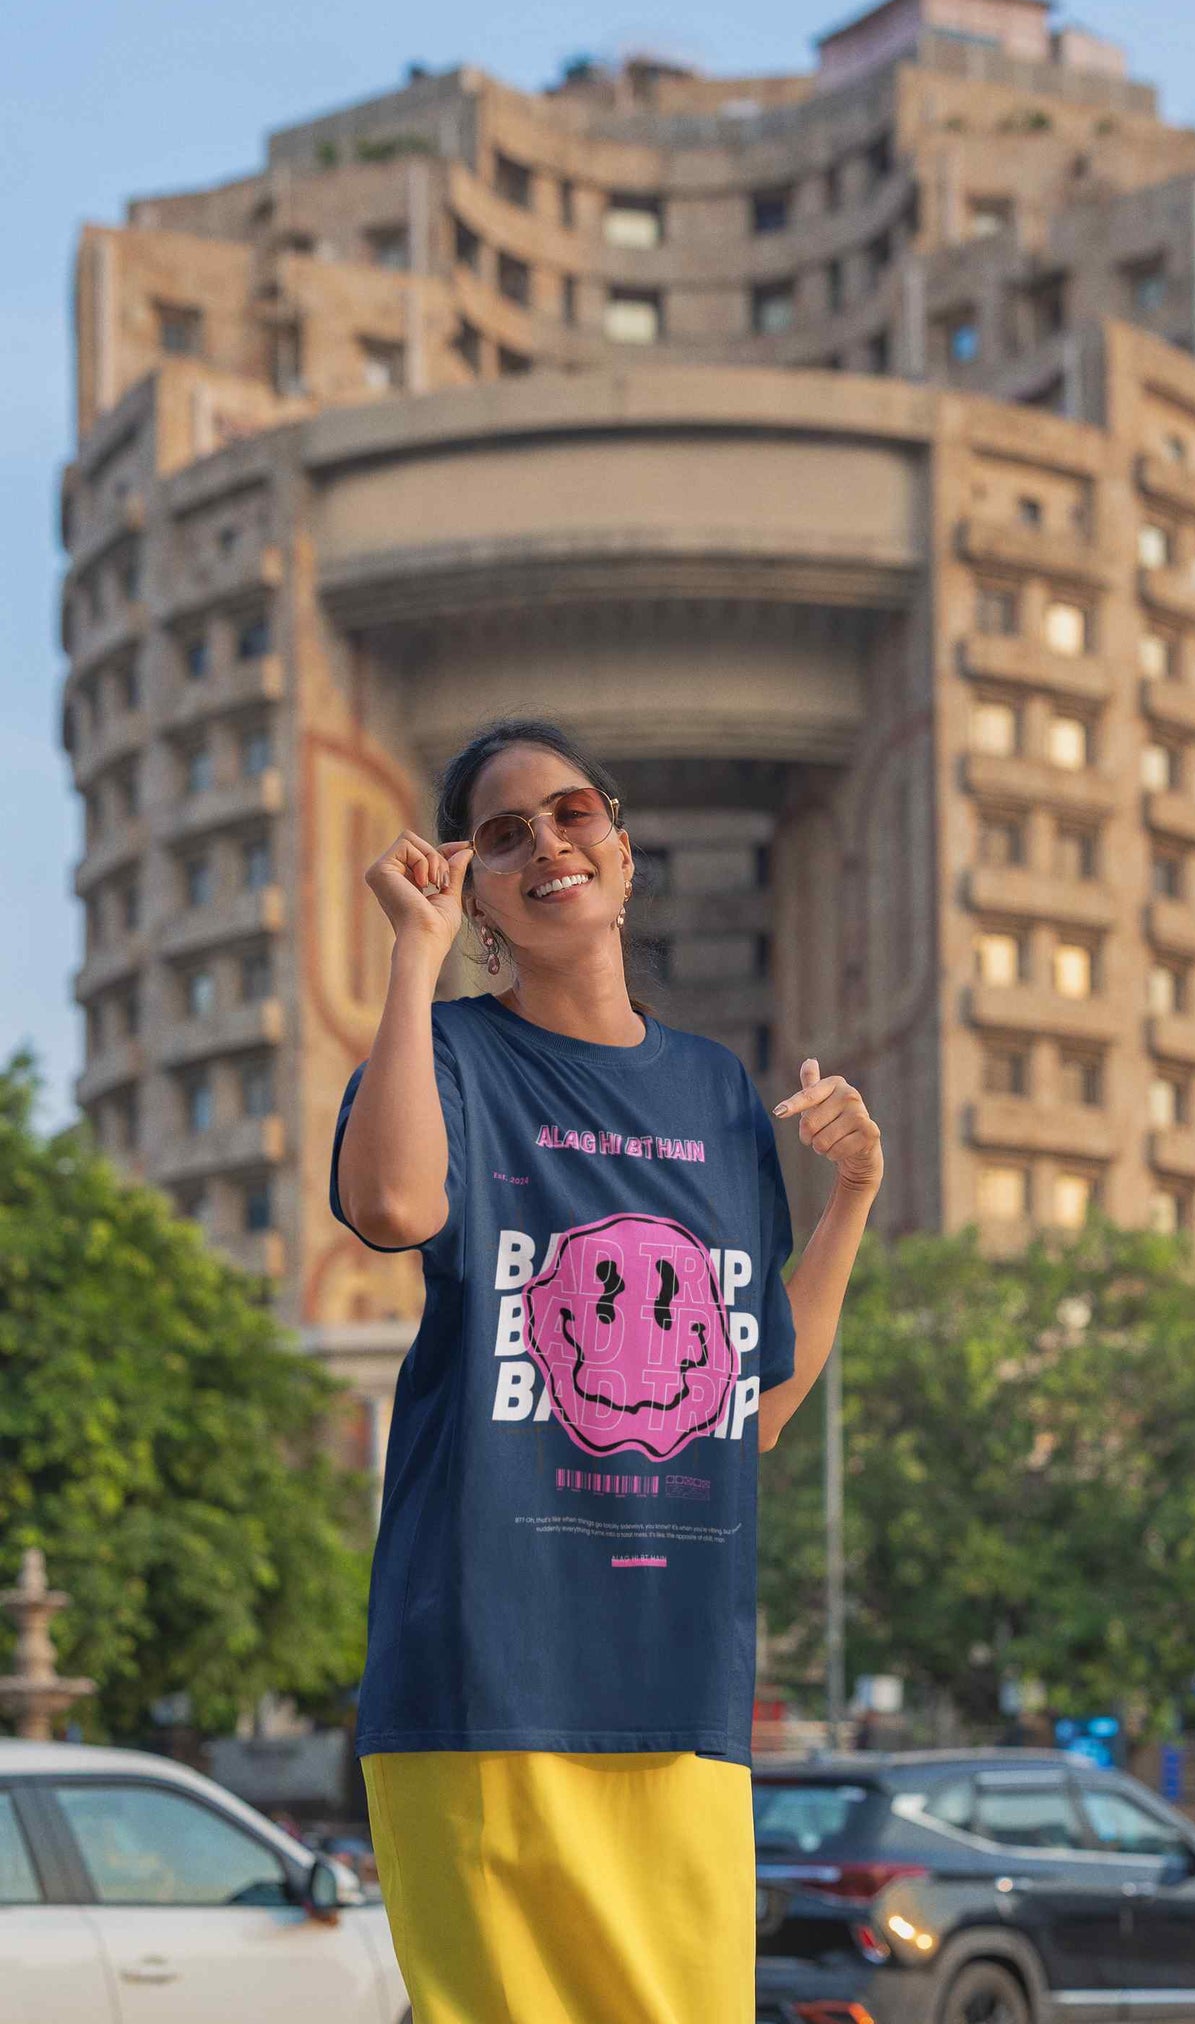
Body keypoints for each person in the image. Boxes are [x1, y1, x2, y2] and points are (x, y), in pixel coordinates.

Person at [330, 717, 883, 2024]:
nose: (547, 846)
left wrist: (853, 1194)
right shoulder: (453, 1052)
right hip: (485, 1677)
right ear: (471, 886)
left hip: (681, 1684)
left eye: (572, 814)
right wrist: (411, 957)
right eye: (502, 834)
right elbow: (397, 1203)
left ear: (623, 851)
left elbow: (746, 1412)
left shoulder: (716, 1095)